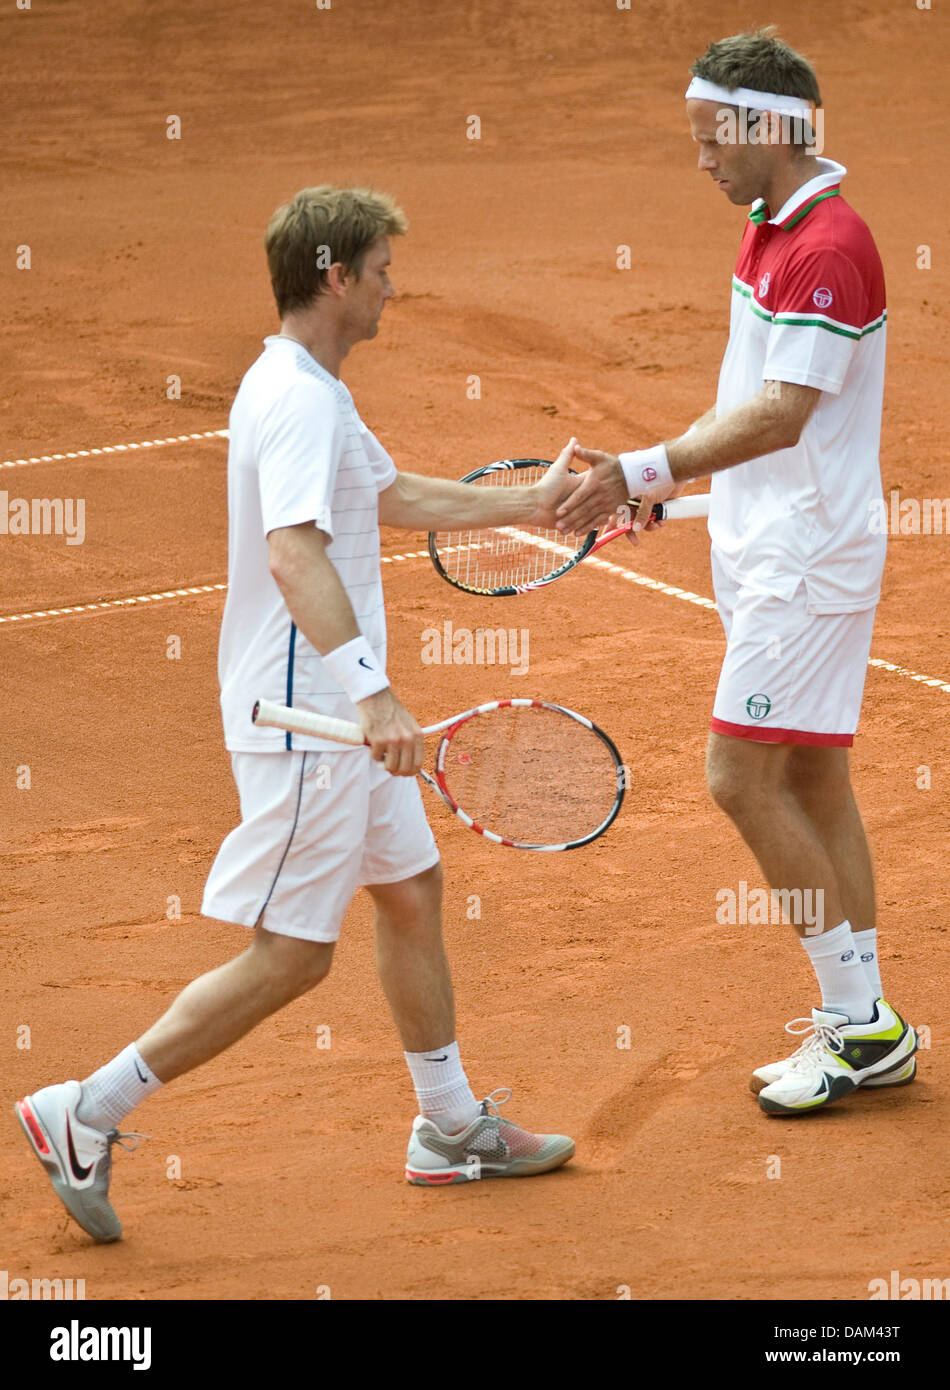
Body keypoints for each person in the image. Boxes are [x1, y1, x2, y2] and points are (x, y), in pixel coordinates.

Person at [15, 185, 576, 1243]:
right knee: (291, 953)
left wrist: (527, 505)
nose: (390, 290)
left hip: (330, 709)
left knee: (409, 891)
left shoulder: (310, 389)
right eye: (379, 272)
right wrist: (371, 692)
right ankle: (84, 1110)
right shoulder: (300, 399)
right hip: (307, 719)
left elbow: (388, 495)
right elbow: (292, 550)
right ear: (333, 276)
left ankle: (448, 1126)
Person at [556, 28, 916, 1115]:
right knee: (810, 777)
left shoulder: (826, 247)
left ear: (766, 128)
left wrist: (636, 469)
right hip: (776, 548)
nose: (700, 159)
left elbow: (783, 413)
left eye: (711, 137)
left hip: (801, 571)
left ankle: (854, 1022)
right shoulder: (774, 228)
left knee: (734, 776)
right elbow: (765, 413)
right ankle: (870, 1027)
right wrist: (682, 494)